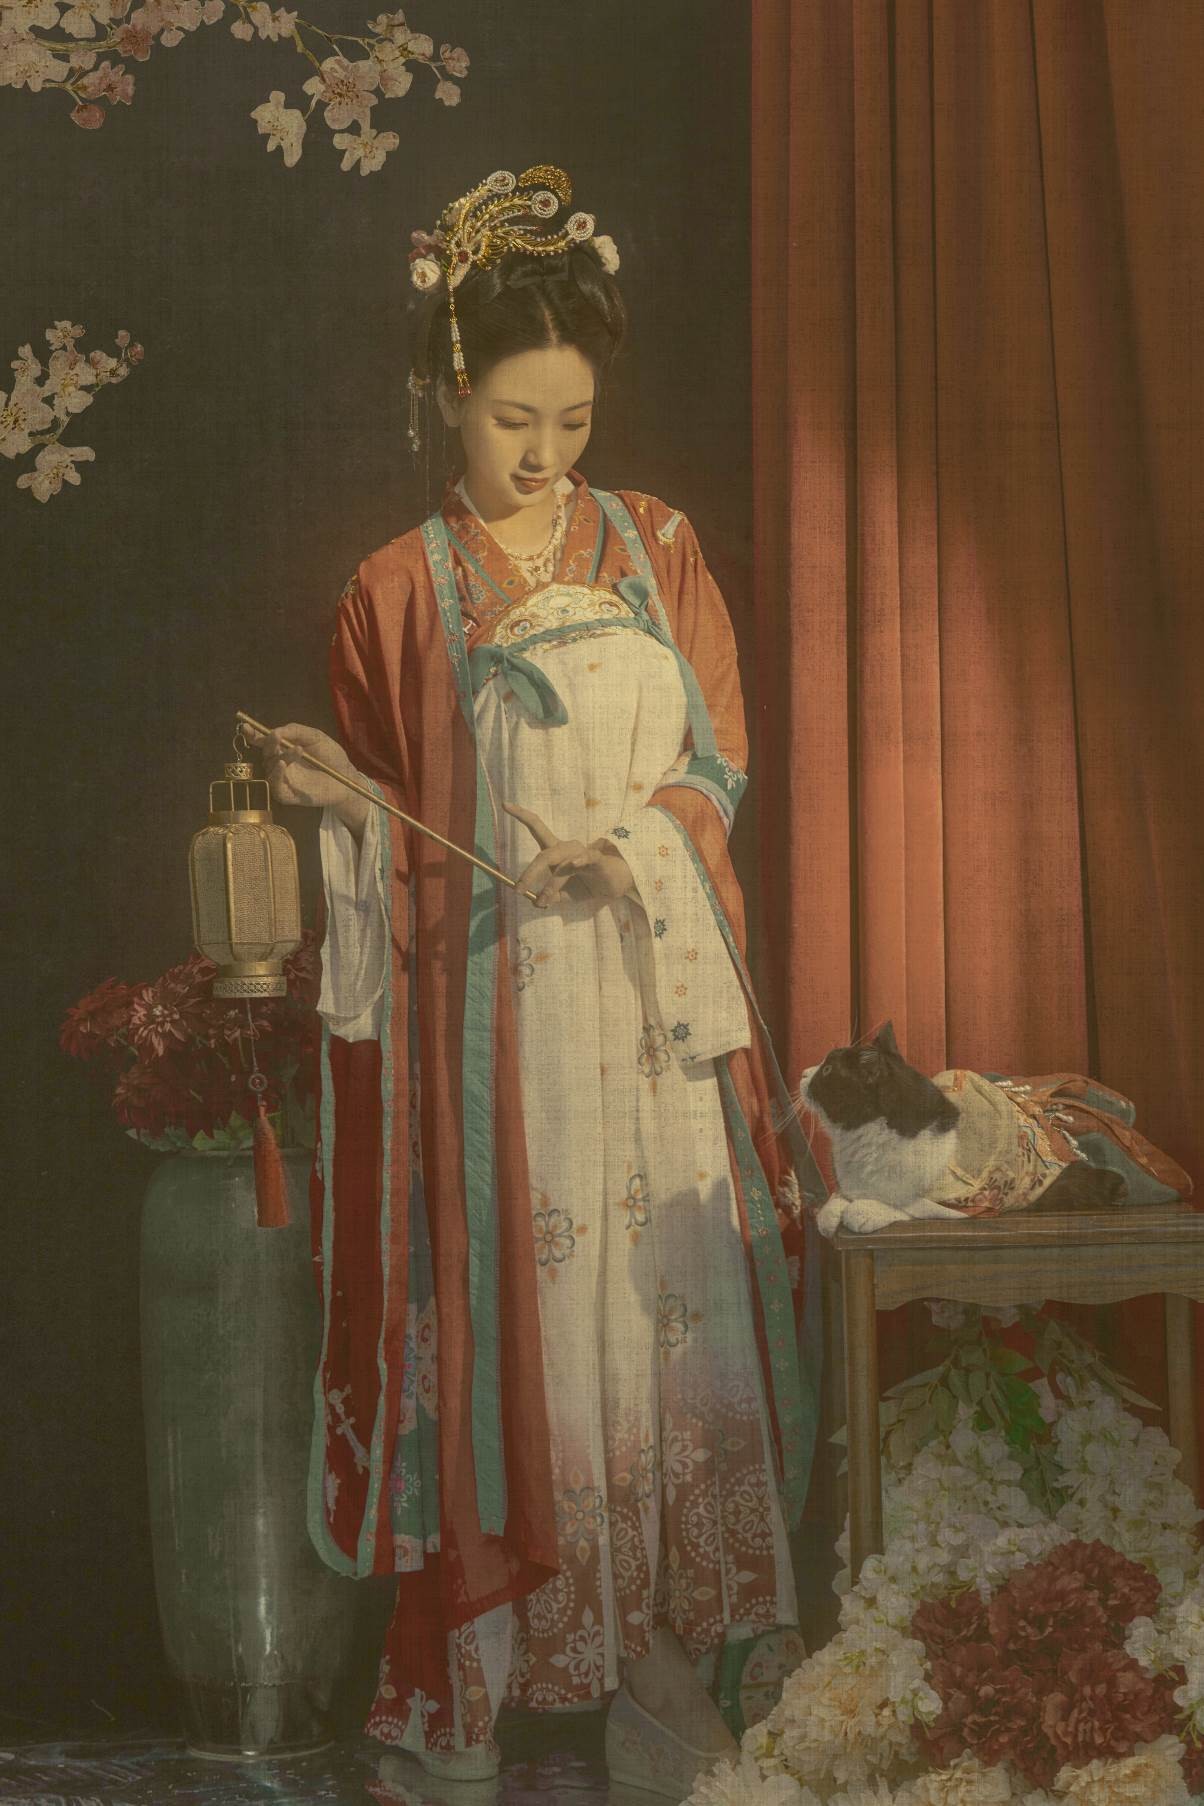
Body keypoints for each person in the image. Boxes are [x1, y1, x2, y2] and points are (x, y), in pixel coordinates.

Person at [247, 165, 822, 1798]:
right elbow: (392, 835)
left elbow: (719, 759)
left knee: (668, 1317)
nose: (545, 453)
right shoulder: (394, 589)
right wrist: (338, 800)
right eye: (513, 418)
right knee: (532, 1322)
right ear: (447, 394)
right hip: (497, 1037)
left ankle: (673, 1658)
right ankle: (528, 1662)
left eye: (572, 420)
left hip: (650, 1010)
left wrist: (630, 851)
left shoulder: (657, 545)